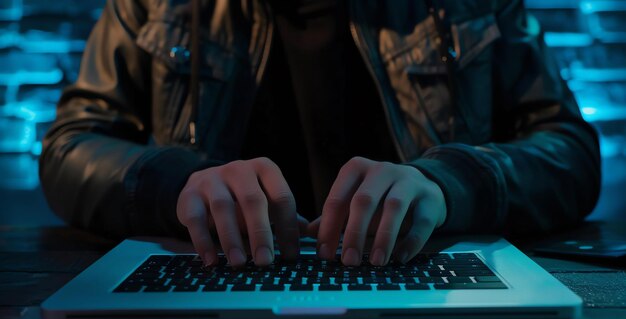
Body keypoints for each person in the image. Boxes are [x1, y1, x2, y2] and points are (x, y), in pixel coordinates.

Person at [39, 0, 601, 268]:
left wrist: (451, 184)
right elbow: (72, 143)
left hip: (411, 270)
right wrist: (178, 186)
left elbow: (569, 149)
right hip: (220, 269)